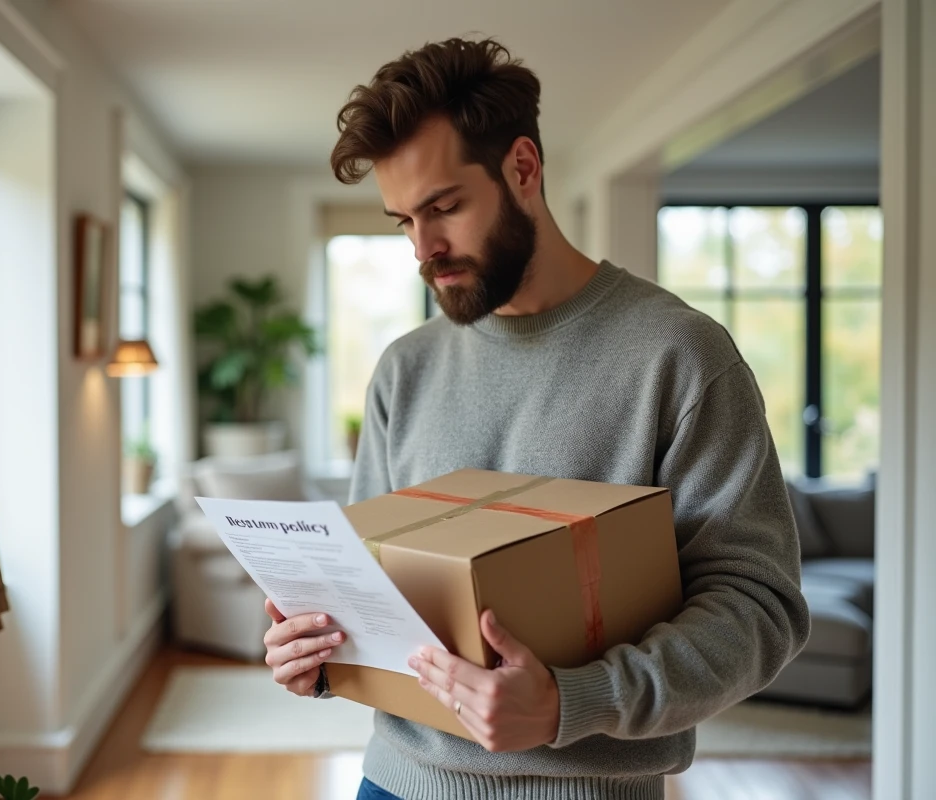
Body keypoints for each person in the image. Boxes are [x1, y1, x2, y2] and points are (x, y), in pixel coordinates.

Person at [262, 36, 810, 800]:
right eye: (402, 221)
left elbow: (759, 607)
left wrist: (568, 701)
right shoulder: (405, 369)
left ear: (523, 168)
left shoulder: (678, 356)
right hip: (393, 784)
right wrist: (322, 656)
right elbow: (383, 595)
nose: (424, 249)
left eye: (444, 207)